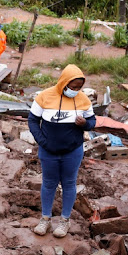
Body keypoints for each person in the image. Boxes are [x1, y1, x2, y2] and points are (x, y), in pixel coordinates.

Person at [28, 65, 96, 238]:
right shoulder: (45, 96)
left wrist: (85, 125)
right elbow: (33, 121)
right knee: (49, 183)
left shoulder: (83, 100)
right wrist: (42, 142)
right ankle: (45, 219)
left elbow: (92, 121)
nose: (75, 90)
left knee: (69, 184)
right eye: (72, 87)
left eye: (78, 87)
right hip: (48, 151)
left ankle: (65, 221)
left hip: (72, 151)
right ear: (63, 82)